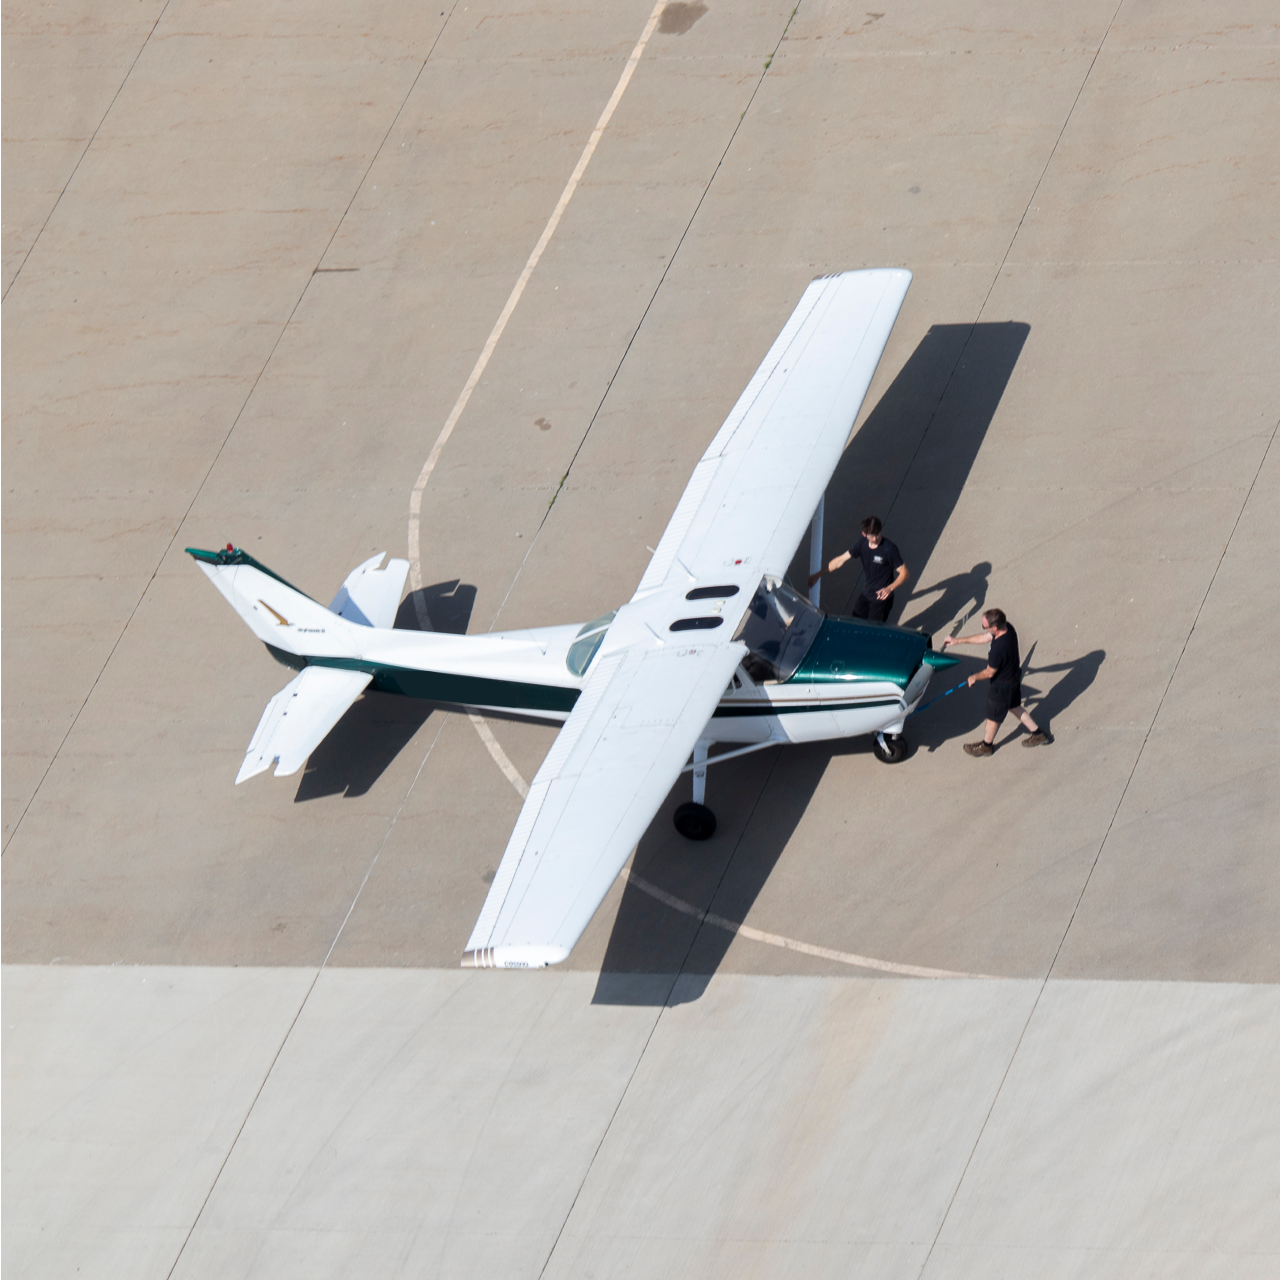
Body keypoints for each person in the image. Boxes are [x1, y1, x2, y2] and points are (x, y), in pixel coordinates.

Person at [942, 608, 1048, 754]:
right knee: (1014, 706)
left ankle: (986, 746)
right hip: (1013, 678)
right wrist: (958, 641)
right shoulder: (1008, 627)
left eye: (985, 626)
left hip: (1002, 686)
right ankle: (1039, 734)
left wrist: (974, 677)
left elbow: (989, 672)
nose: (984, 629)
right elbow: (985, 637)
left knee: (993, 717)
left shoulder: (999, 648)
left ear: (995, 627)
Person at [809, 515, 908, 622]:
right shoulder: (862, 544)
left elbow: (904, 573)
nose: (875, 538)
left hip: (881, 600)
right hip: (867, 593)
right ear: (864, 534)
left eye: (877, 534)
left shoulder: (889, 549)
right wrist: (817, 575)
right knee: (855, 622)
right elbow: (840, 560)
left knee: (872, 629)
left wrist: (890, 588)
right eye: (872, 536)